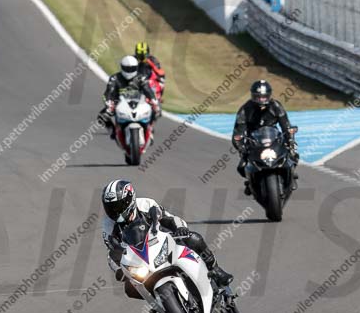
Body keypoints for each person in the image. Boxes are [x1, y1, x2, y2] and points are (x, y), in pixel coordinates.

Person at [101, 179, 233, 296]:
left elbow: (170, 219)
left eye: (118, 206)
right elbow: (112, 251)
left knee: (193, 238)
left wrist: (180, 228)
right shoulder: (108, 226)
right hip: (142, 258)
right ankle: (161, 301)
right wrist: (119, 269)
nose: (115, 211)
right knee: (130, 289)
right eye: (110, 208)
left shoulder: (146, 204)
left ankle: (216, 270)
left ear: (129, 199)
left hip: (164, 240)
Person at [232, 80, 298, 195]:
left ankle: (291, 177)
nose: (261, 100)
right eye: (258, 97)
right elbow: (238, 131)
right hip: (254, 141)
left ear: (268, 95)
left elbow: (285, 125)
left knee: (293, 156)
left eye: (264, 97)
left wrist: (290, 139)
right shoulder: (245, 110)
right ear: (253, 96)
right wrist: (241, 146)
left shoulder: (276, 106)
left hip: (273, 139)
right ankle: (251, 182)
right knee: (241, 167)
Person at [100, 55, 161, 136]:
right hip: (119, 103)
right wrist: (109, 103)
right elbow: (109, 92)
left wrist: (153, 100)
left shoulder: (141, 77)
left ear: (136, 68)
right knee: (102, 116)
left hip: (139, 102)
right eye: (127, 69)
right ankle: (113, 131)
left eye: (131, 69)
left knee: (156, 110)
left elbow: (148, 90)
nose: (129, 71)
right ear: (122, 67)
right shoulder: (115, 78)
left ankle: (150, 128)